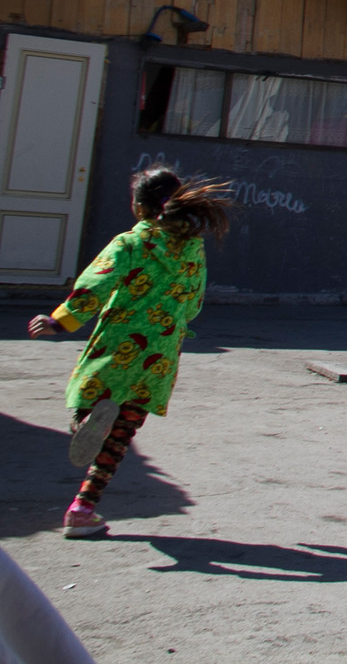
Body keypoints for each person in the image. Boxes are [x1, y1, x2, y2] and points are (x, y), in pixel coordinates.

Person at [25, 167, 233, 539]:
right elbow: (193, 303)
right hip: (160, 352)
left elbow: (93, 287)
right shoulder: (192, 247)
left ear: (139, 207)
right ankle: (82, 510)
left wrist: (60, 323)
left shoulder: (128, 243)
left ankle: (85, 421)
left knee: (87, 395)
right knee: (121, 437)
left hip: (118, 341)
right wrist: (172, 319)